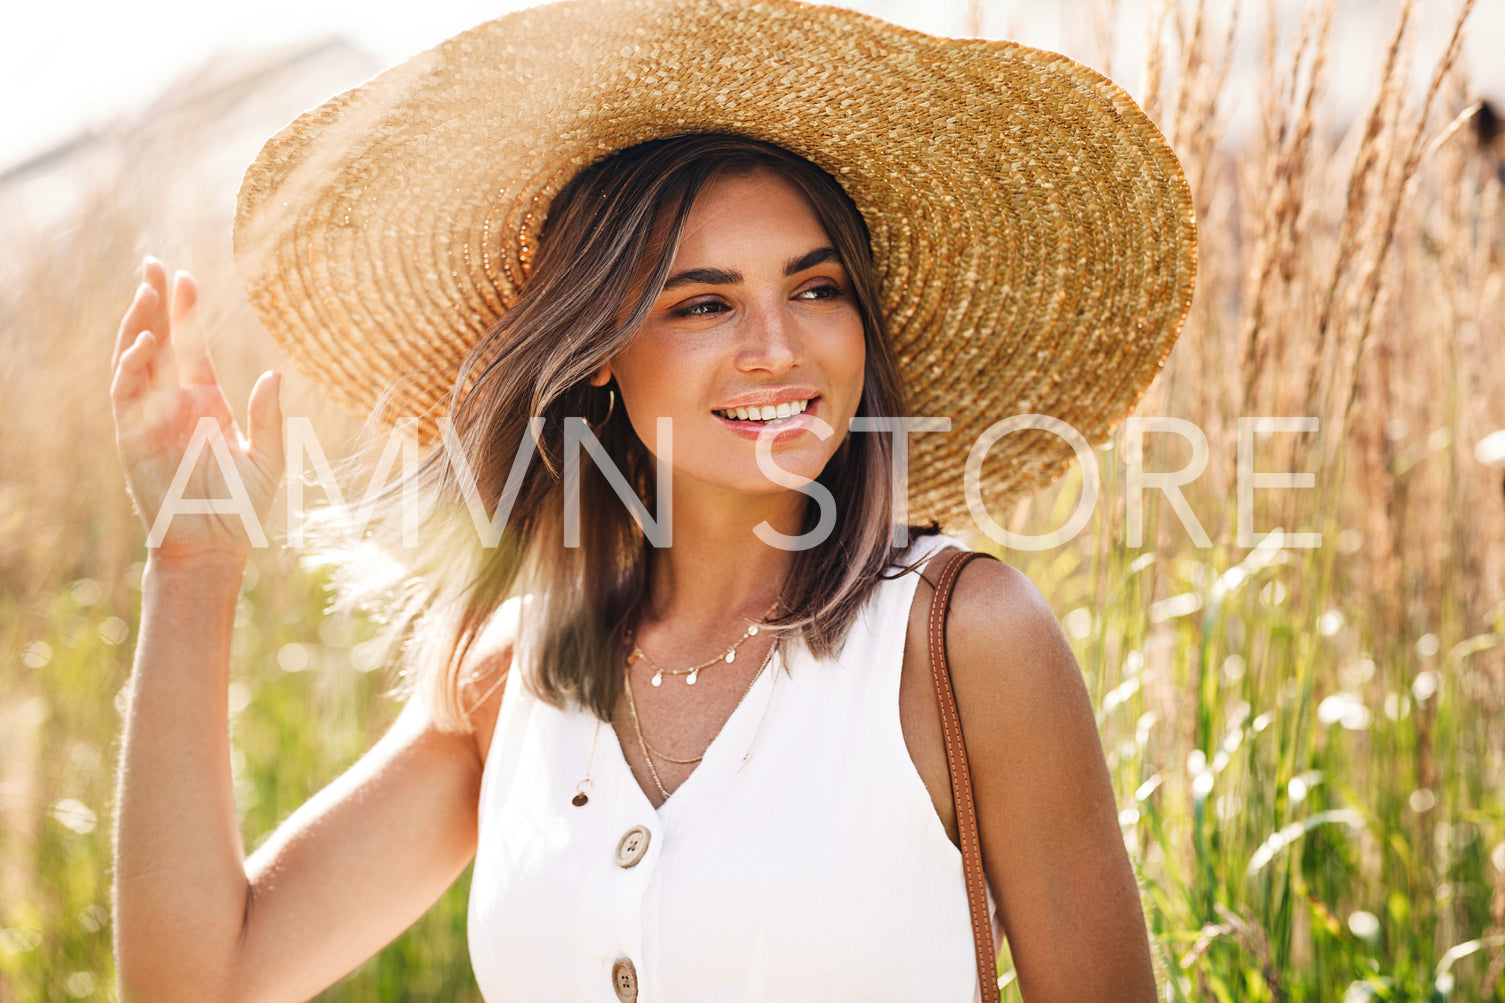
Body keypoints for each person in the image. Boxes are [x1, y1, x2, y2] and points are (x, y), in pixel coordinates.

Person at [109, 1, 1196, 1000]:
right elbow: (200, 980)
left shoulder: (964, 639)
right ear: (598, 355)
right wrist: (192, 568)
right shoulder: (513, 670)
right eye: (701, 303)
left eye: (815, 288)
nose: (777, 350)